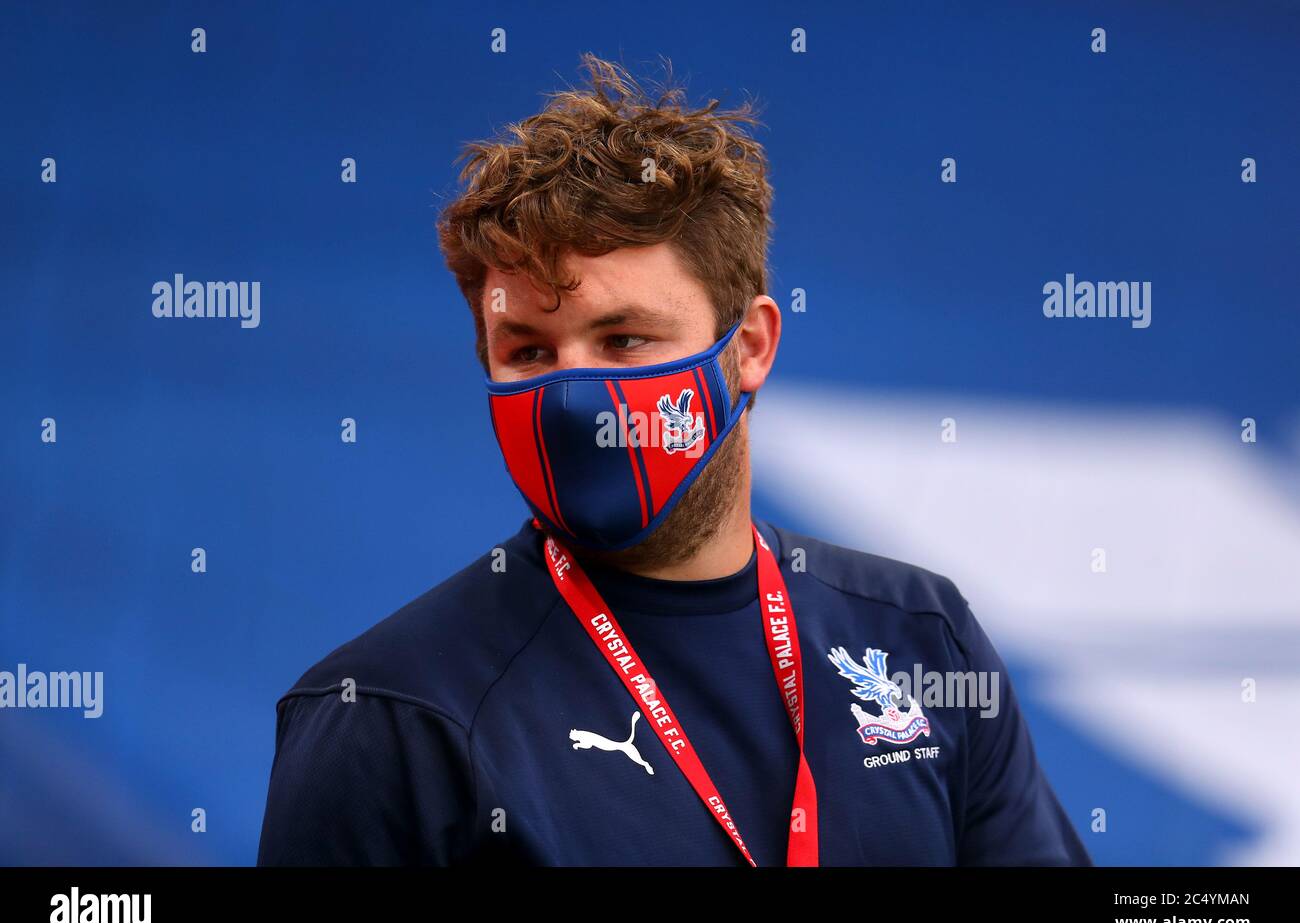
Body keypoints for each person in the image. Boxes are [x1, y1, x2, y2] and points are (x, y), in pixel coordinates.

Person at [256, 54, 1090, 866]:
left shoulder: (916, 636)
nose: (576, 402)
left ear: (752, 345)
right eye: (529, 353)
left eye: (623, 340)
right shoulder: (395, 717)